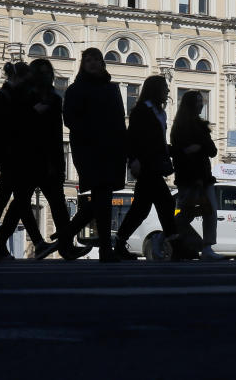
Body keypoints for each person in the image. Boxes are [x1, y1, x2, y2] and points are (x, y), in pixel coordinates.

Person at [0, 59, 90, 260]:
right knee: (21, 204)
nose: (45, 75)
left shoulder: (53, 98)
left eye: (48, 72)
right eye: (41, 72)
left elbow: (55, 135)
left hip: (48, 160)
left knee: (56, 205)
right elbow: (22, 128)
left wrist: (59, 163)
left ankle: (65, 246)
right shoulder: (28, 96)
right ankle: (2, 243)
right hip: (29, 159)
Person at [58, 48, 128, 262]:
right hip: (88, 149)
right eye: (87, 59)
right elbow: (69, 119)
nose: (92, 63)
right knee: (102, 196)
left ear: (102, 63)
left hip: (111, 149)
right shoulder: (75, 89)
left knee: (102, 197)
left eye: (96, 59)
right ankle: (104, 248)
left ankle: (67, 235)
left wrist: (124, 147)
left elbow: (119, 120)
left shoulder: (112, 89)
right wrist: (91, 129)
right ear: (82, 64)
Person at [0, 62, 45, 262]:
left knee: (6, 202)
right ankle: (37, 242)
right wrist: (33, 112)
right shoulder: (4, 97)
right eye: (25, 80)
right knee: (17, 201)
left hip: (13, 158)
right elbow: (10, 126)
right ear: (17, 78)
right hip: (11, 158)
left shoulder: (12, 96)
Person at [114, 75, 178, 260]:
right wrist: (133, 159)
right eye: (164, 88)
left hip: (155, 164)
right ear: (155, 90)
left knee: (141, 209)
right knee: (165, 202)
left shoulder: (160, 112)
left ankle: (120, 242)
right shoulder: (141, 111)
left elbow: (159, 141)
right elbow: (132, 137)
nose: (167, 91)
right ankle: (173, 243)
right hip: (146, 165)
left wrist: (172, 150)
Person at [170, 90, 225, 261]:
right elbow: (181, 154)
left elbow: (212, 151)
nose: (202, 104)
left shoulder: (199, 126)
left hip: (203, 177)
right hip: (190, 178)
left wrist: (197, 147)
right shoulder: (181, 126)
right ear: (190, 104)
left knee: (209, 212)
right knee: (188, 212)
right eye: (198, 101)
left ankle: (207, 247)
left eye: (202, 100)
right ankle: (164, 236)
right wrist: (194, 149)